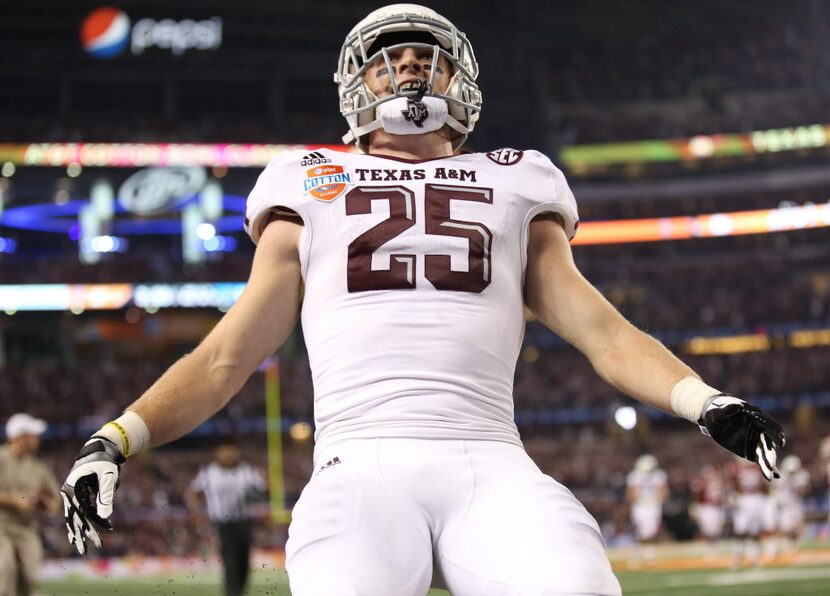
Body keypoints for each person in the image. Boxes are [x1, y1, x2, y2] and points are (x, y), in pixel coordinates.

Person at [60, 5, 786, 595]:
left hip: (492, 466)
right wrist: (118, 437)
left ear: (460, 83)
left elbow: (604, 332)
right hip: (358, 466)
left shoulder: (516, 178)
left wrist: (705, 400)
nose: (407, 67)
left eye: (423, 56)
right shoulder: (308, 180)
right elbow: (225, 357)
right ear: (358, 86)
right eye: (389, 59)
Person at [185, 437, 266, 596]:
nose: (228, 454)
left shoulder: (246, 471)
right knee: (230, 560)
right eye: (225, 450)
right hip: (222, 523)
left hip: (243, 522)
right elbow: (192, 492)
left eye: (231, 450)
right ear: (218, 453)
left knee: (243, 561)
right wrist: (196, 512)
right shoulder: (209, 472)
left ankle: (238, 591)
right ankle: (232, 593)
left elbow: (262, 489)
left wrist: (259, 491)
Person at [0, 413, 61, 596]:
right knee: (4, 570)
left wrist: (45, 503)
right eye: (33, 435)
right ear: (20, 436)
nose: (38, 439)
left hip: (27, 528)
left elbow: (55, 501)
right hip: (1, 525)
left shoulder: (39, 468)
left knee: (30, 576)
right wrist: (16, 501)